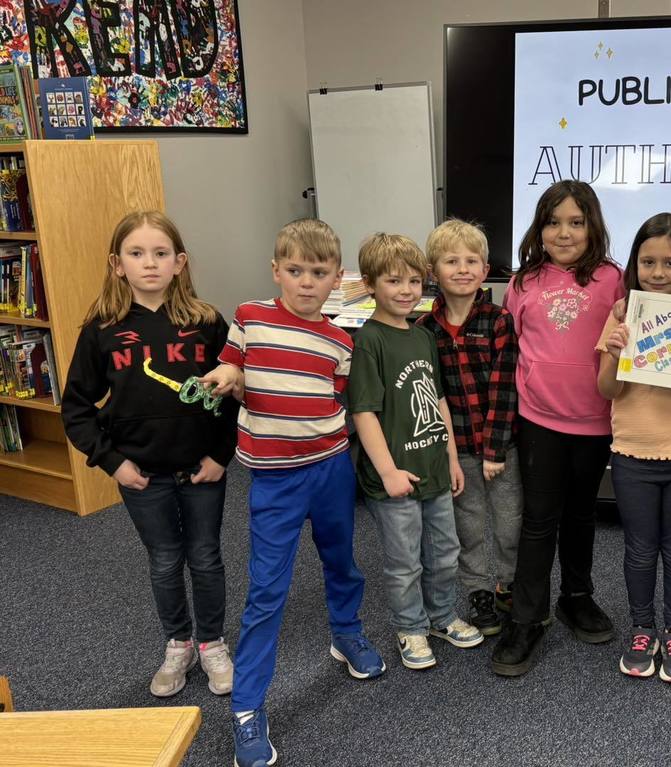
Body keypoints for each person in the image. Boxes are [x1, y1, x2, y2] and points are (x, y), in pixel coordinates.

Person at [202, 219, 385, 767]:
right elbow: (234, 363)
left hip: (330, 469)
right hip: (274, 481)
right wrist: (227, 376)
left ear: (338, 280)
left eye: (320, 273)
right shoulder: (250, 317)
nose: (307, 282)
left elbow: (338, 400)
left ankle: (346, 633)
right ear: (276, 270)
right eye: (296, 270)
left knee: (343, 563)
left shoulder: (340, 340)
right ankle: (247, 709)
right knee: (266, 592)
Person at [62, 210, 238, 700]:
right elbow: (76, 407)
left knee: (205, 558)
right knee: (164, 561)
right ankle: (178, 642)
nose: (149, 264)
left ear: (179, 262)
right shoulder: (102, 330)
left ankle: (212, 643)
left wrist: (223, 454)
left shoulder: (205, 322)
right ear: (117, 264)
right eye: (136, 254)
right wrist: (112, 461)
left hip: (203, 469)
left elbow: (233, 395)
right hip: (141, 474)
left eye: (161, 254)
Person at [490, 180, 624, 677]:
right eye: (553, 222)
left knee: (582, 514)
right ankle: (527, 617)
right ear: (539, 228)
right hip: (538, 420)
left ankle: (577, 596)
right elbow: (514, 348)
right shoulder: (524, 283)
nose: (564, 232)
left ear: (593, 226)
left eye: (576, 222)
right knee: (539, 518)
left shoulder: (615, 279)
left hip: (595, 421)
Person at [348, 232, 483, 672]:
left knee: (444, 553)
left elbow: (438, 400)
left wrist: (449, 456)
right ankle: (411, 626)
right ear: (370, 284)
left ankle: (442, 617)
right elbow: (364, 413)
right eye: (393, 282)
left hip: (435, 469)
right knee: (405, 562)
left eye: (412, 281)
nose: (405, 291)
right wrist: (387, 472)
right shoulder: (370, 340)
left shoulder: (423, 336)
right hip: (394, 480)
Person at [596, 213, 671, 684]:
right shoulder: (622, 312)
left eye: (670, 262)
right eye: (647, 262)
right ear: (634, 264)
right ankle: (642, 629)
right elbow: (607, 390)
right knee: (640, 550)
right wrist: (619, 351)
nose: (658, 272)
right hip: (631, 453)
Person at [417, 219, 522, 637]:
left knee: (511, 522)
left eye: (471, 261)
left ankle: (509, 585)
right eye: (450, 261)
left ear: (484, 270)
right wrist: (447, 454)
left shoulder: (498, 321)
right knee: (469, 526)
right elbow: (433, 394)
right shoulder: (425, 331)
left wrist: (495, 450)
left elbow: (504, 390)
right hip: (456, 450)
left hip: (501, 448)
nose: (462, 268)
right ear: (433, 271)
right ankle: (478, 589)